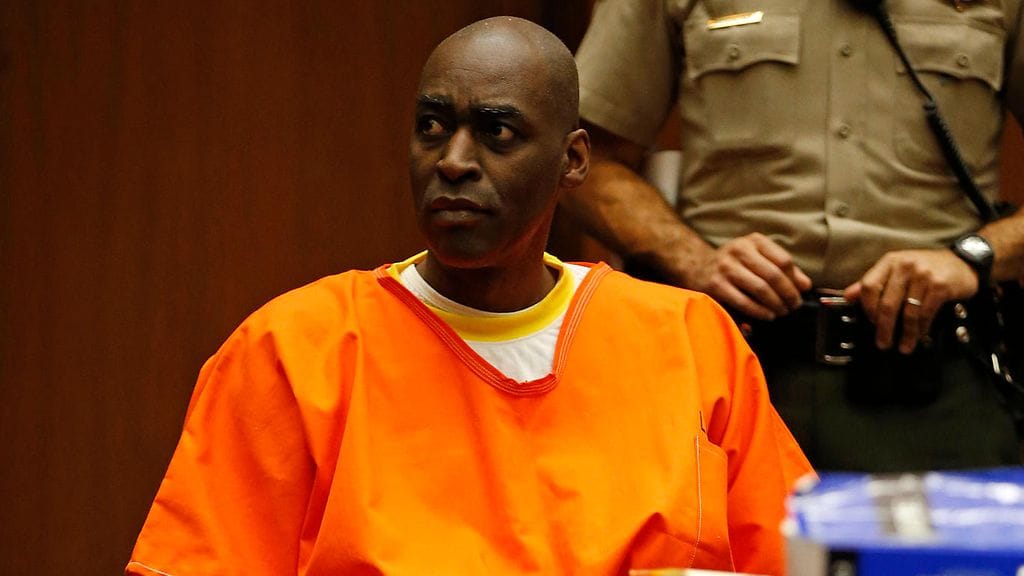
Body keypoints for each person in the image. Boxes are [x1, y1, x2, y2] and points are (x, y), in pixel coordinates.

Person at [125, 16, 812, 576]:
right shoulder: (292, 350)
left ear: (573, 161)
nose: (452, 160)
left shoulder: (689, 341)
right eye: (432, 126)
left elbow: (794, 557)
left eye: (496, 132)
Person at [562, 0, 1024, 472]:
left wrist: (976, 257)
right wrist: (691, 257)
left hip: (937, 380)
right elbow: (580, 159)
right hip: (729, 371)